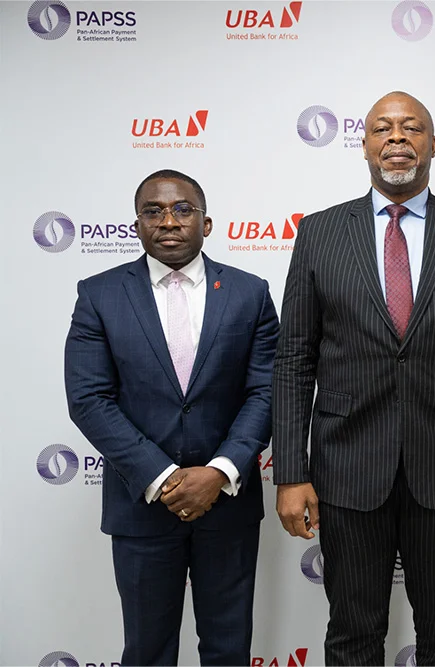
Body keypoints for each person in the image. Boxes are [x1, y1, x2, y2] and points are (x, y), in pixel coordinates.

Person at [271, 91, 435, 666]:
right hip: (346, 467)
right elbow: (293, 360)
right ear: (364, 146)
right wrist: (290, 473)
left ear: (434, 144)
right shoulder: (320, 233)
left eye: (412, 128)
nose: (397, 138)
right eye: (383, 128)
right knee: (353, 632)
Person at [64, 169, 279, 665]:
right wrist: (163, 478)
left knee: (228, 650)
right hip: (141, 508)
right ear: (136, 225)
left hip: (227, 505)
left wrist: (219, 471)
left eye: (183, 209)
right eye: (153, 211)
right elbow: (89, 398)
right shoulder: (99, 295)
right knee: (147, 651)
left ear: (207, 223)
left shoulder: (249, 292)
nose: (169, 220)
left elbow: (266, 390)